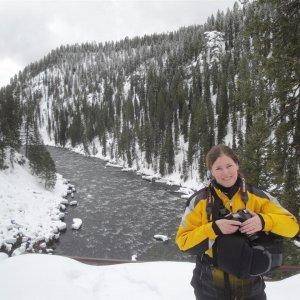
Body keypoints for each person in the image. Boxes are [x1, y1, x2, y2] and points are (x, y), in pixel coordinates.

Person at [176, 144, 299, 300]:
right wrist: (214, 228)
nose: (225, 173)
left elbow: (293, 227)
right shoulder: (199, 201)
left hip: (251, 284)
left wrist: (263, 221)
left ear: (237, 165)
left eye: (229, 166)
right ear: (211, 172)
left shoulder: (258, 197)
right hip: (209, 285)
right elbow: (183, 242)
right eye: (218, 168)